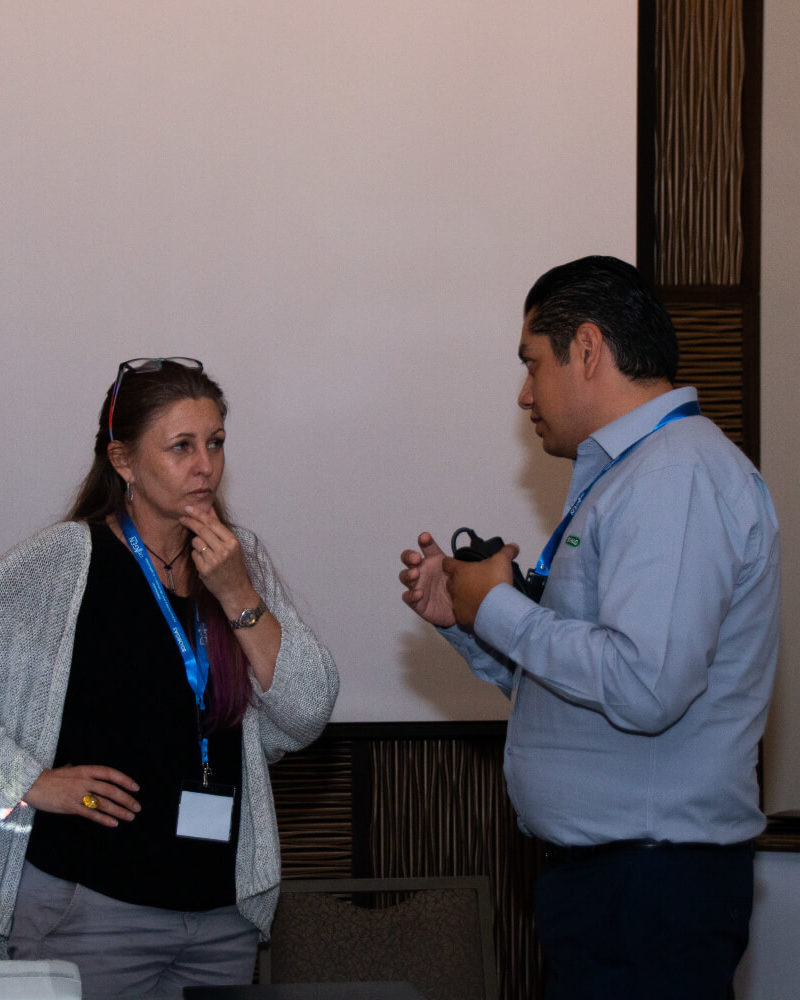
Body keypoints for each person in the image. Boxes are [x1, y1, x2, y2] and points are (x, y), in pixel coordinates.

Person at [399, 257, 780, 999]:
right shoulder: (635, 472)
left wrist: (500, 605)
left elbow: (645, 686)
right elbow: (585, 688)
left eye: (531, 363)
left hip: (649, 887)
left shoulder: (673, 474)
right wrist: (473, 621)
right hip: (622, 887)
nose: (524, 393)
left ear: (587, 348)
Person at [0, 357, 339, 998]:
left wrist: (236, 593)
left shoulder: (237, 558)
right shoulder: (62, 562)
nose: (205, 465)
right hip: (89, 910)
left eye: (215, 443)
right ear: (123, 461)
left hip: (221, 918)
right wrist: (28, 783)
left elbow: (307, 711)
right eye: (181, 446)